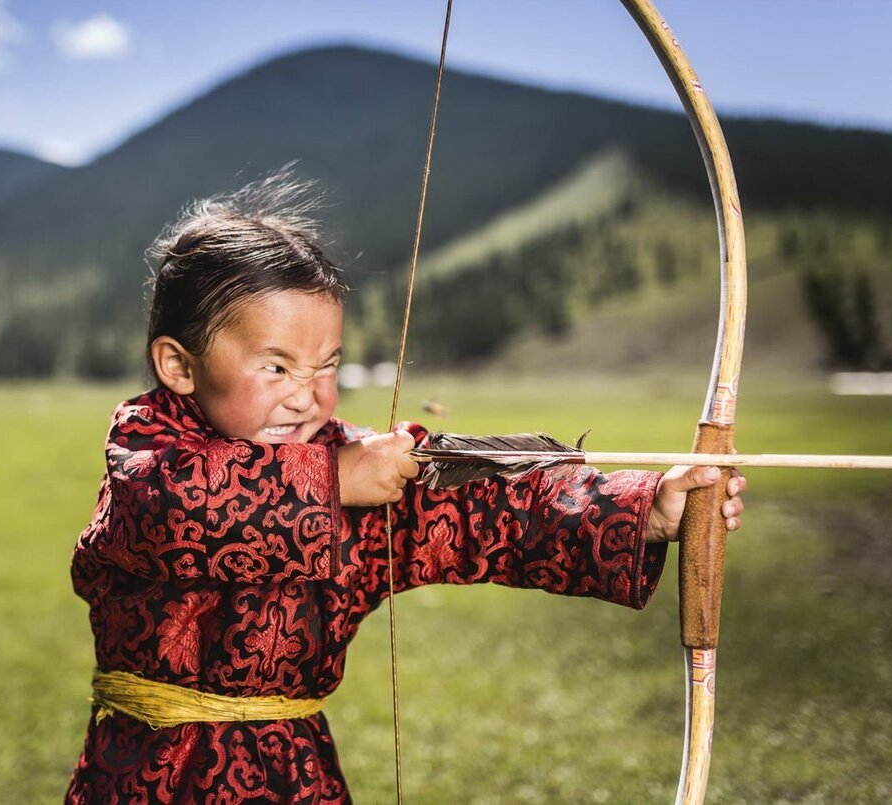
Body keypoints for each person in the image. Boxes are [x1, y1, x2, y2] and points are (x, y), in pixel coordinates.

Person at [65, 176, 746, 804]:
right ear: (179, 366)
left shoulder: (353, 463)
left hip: (292, 776)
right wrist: (335, 481)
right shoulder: (149, 445)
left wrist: (643, 509)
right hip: (147, 776)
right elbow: (168, 506)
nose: (308, 395)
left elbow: (485, 511)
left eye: (326, 365)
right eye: (276, 366)